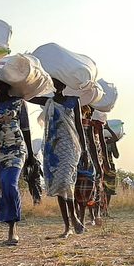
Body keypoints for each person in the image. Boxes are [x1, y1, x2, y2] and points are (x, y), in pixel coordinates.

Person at [36, 79, 89, 238]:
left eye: (60, 82)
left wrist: (85, 150)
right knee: (59, 185)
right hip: (53, 148)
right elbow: (28, 97)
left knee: (66, 181)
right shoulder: (48, 101)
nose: (57, 85)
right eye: (54, 82)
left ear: (65, 84)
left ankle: (74, 217)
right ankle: (68, 226)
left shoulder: (74, 101)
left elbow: (79, 126)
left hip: (70, 147)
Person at [0, 81, 37, 245]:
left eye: (2, 84)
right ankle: (7, 222)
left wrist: (31, 154)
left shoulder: (19, 102)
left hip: (17, 149)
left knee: (10, 183)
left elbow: (26, 129)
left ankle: (13, 228)